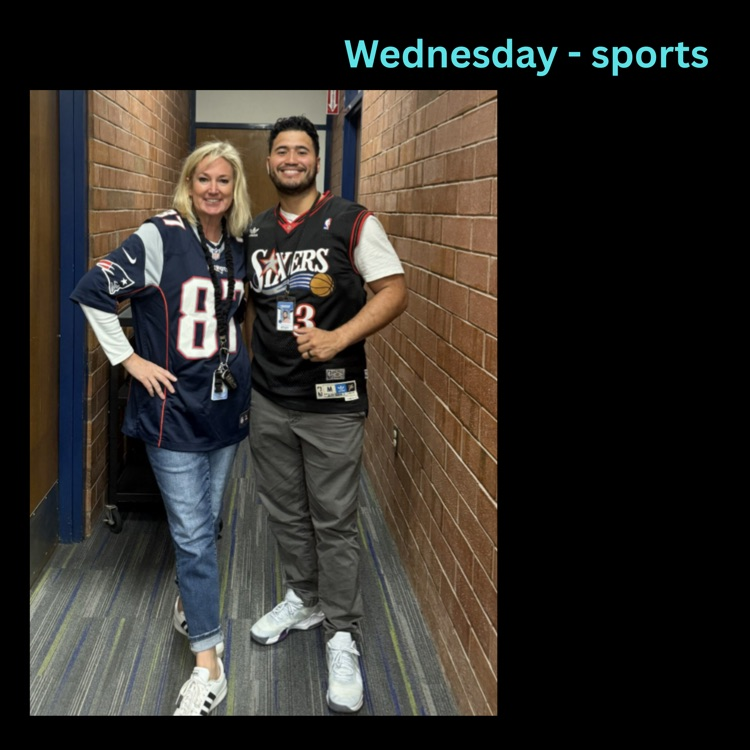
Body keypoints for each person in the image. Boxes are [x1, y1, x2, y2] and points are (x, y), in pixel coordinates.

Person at [70, 140, 252, 716]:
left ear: (234, 187)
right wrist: (129, 360)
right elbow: (92, 292)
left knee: (208, 523)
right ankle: (208, 662)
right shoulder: (160, 235)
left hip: (223, 408)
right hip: (172, 411)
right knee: (195, 535)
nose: (214, 189)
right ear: (189, 183)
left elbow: (233, 317)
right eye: (204, 179)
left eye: (224, 180)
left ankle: (188, 603)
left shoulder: (240, 245)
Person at [244, 115, 408, 713]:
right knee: (285, 511)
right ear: (268, 163)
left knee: (335, 518)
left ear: (318, 160)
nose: (291, 159)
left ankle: (343, 631)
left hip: (332, 402)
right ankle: (304, 597)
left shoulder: (353, 221)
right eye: (282, 150)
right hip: (269, 399)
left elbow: (394, 290)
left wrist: (339, 339)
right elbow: (250, 311)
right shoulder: (255, 231)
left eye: (302, 150)